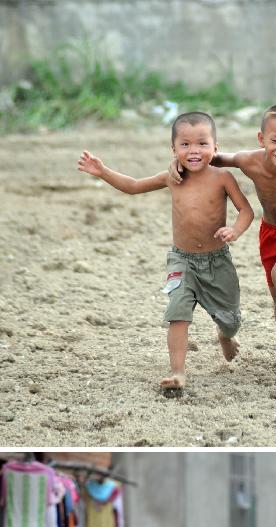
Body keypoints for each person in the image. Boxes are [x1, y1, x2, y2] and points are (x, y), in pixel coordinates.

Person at [77, 111, 254, 391]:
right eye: (185, 144)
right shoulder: (172, 178)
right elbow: (134, 186)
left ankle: (225, 336)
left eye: (202, 144)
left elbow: (246, 210)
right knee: (178, 313)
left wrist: (235, 230)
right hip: (181, 260)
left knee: (230, 320)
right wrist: (103, 172)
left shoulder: (223, 177)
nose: (193, 150)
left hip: (217, 261)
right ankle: (178, 372)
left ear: (215, 148)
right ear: (174, 149)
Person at [171, 105, 276, 375]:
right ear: (261, 139)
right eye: (275, 141)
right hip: (271, 233)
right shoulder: (250, 161)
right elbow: (210, 157)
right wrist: (179, 161)